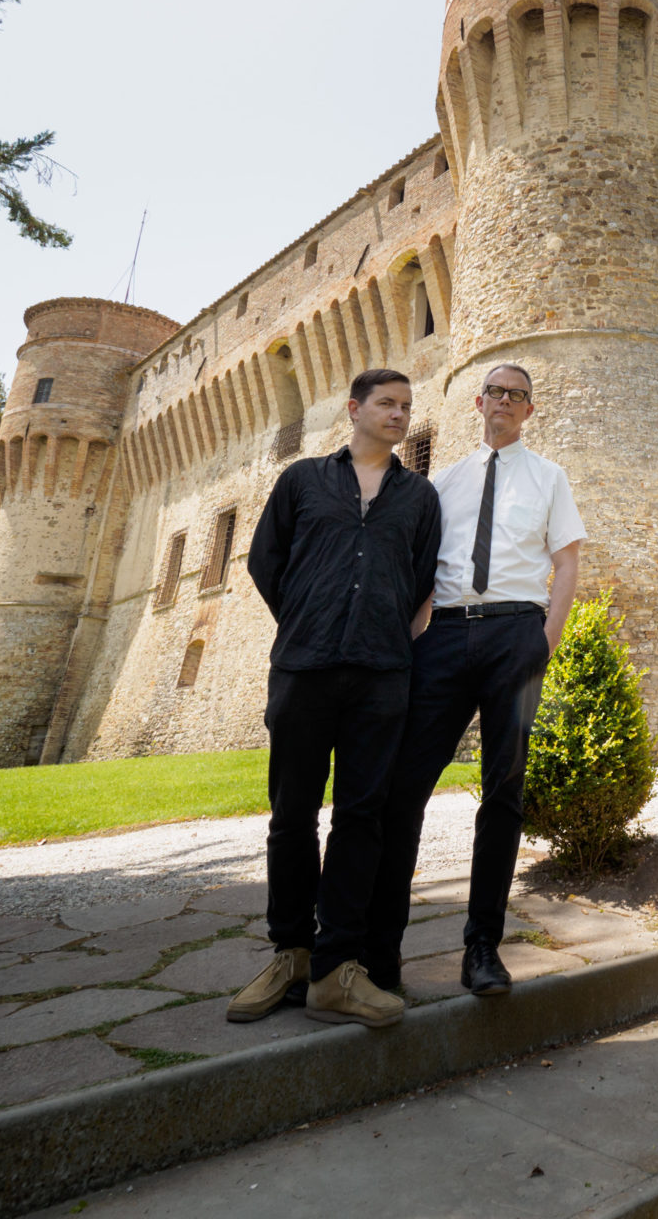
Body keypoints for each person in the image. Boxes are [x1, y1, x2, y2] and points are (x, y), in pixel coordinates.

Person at [227, 368, 441, 1029]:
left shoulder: (420, 498)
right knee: (291, 816)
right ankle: (288, 953)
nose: (399, 414)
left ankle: (336, 969)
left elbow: (424, 580)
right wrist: (309, 621)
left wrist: (383, 632)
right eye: (387, 403)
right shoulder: (301, 482)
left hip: (381, 678)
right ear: (354, 408)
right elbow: (267, 562)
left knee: (361, 819)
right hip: (303, 669)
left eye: (407, 406)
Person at [364, 362, 584, 997]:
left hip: (516, 633)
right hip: (447, 636)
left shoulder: (549, 477)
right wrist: (411, 641)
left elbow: (566, 561)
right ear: (479, 401)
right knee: (404, 789)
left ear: (529, 411)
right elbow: (423, 569)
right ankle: (382, 953)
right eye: (497, 393)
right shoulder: (445, 483)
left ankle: (482, 947)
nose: (506, 403)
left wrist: (546, 640)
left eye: (519, 396)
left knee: (503, 794)